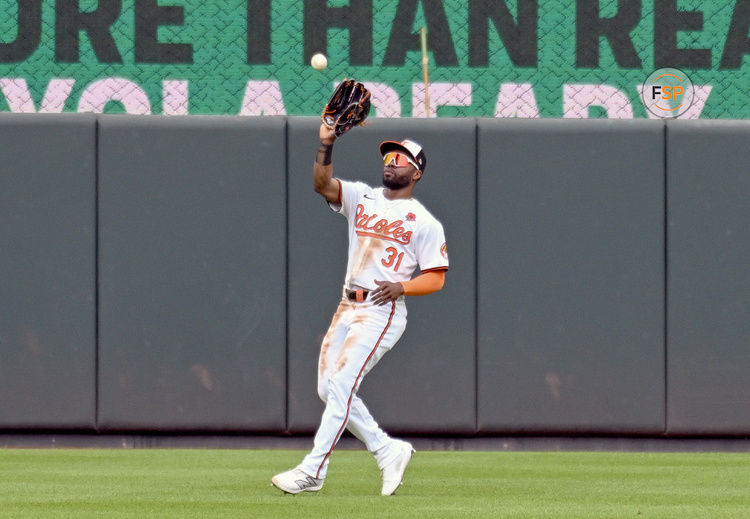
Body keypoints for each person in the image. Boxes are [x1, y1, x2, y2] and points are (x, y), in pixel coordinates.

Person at [271, 122, 449, 496]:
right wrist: (326, 143)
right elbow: (322, 184)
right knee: (329, 389)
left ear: (416, 172)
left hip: (381, 311)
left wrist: (402, 286)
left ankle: (313, 471)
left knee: (341, 384)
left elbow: (436, 277)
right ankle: (387, 449)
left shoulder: (425, 222)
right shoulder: (361, 197)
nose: (391, 162)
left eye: (400, 159)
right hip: (346, 305)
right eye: (388, 156)